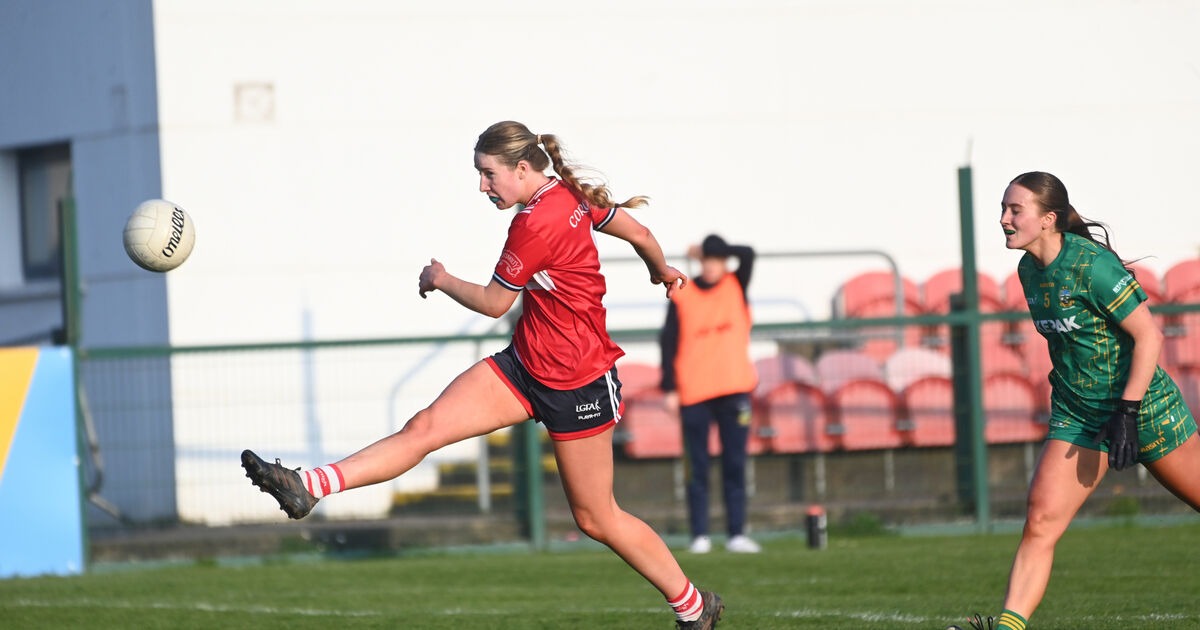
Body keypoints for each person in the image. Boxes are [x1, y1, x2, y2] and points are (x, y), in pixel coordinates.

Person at [241, 121, 724, 629]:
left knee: (597, 517)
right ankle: (308, 485)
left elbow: (495, 303)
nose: (481, 186)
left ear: (521, 168)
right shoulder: (569, 195)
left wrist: (441, 278)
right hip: (527, 365)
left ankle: (695, 607)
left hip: (578, 380)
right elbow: (640, 233)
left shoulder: (534, 223)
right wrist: (660, 270)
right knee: (424, 428)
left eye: (488, 174)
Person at [949, 171, 1200, 630]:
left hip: (1145, 408)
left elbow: (1150, 336)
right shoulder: (1028, 271)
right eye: (1003, 209)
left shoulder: (1092, 266)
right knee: (1040, 521)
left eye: (1015, 210)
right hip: (1078, 414)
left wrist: (1127, 411)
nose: (1003, 219)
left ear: (1048, 219)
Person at [660, 234, 761, 554]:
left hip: (735, 389)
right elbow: (667, 342)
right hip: (694, 392)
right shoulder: (684, 294)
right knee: (697, 468)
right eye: (707, 259)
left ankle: (736, 534)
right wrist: (669, 388)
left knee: (735, 463)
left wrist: (710, 249)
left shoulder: (736, 284)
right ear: (700, 262)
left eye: (717, 259)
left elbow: (748, 253)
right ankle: (700, 535)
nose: (713, 265)